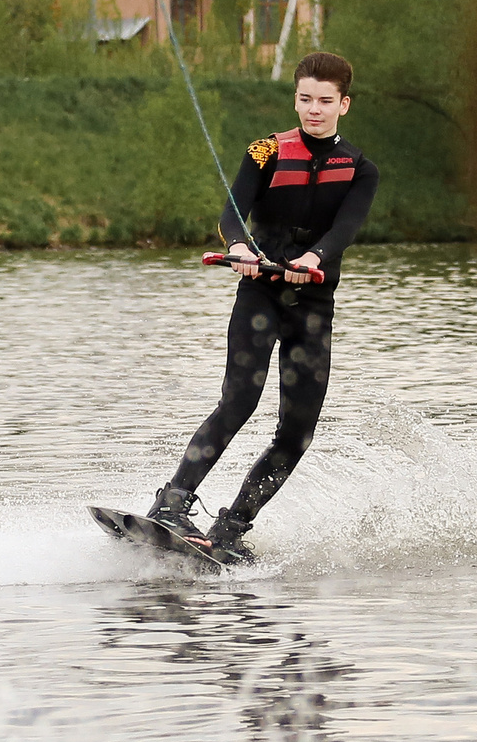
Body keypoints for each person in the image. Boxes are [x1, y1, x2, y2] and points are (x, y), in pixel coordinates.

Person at [147, 52, 379, 568]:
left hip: (312, 304)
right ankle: (172, 503)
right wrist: (240, 247)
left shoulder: (362, 170)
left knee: (297, 433)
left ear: (344, 104)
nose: (313, 110)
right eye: (304, 99)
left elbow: (344, 230)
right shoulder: (264, 151)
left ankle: (230, 528)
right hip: (260, 295)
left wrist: (314, 256)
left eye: (324, 101)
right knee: (240, 399)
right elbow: (233, 212)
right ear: (295, 97)